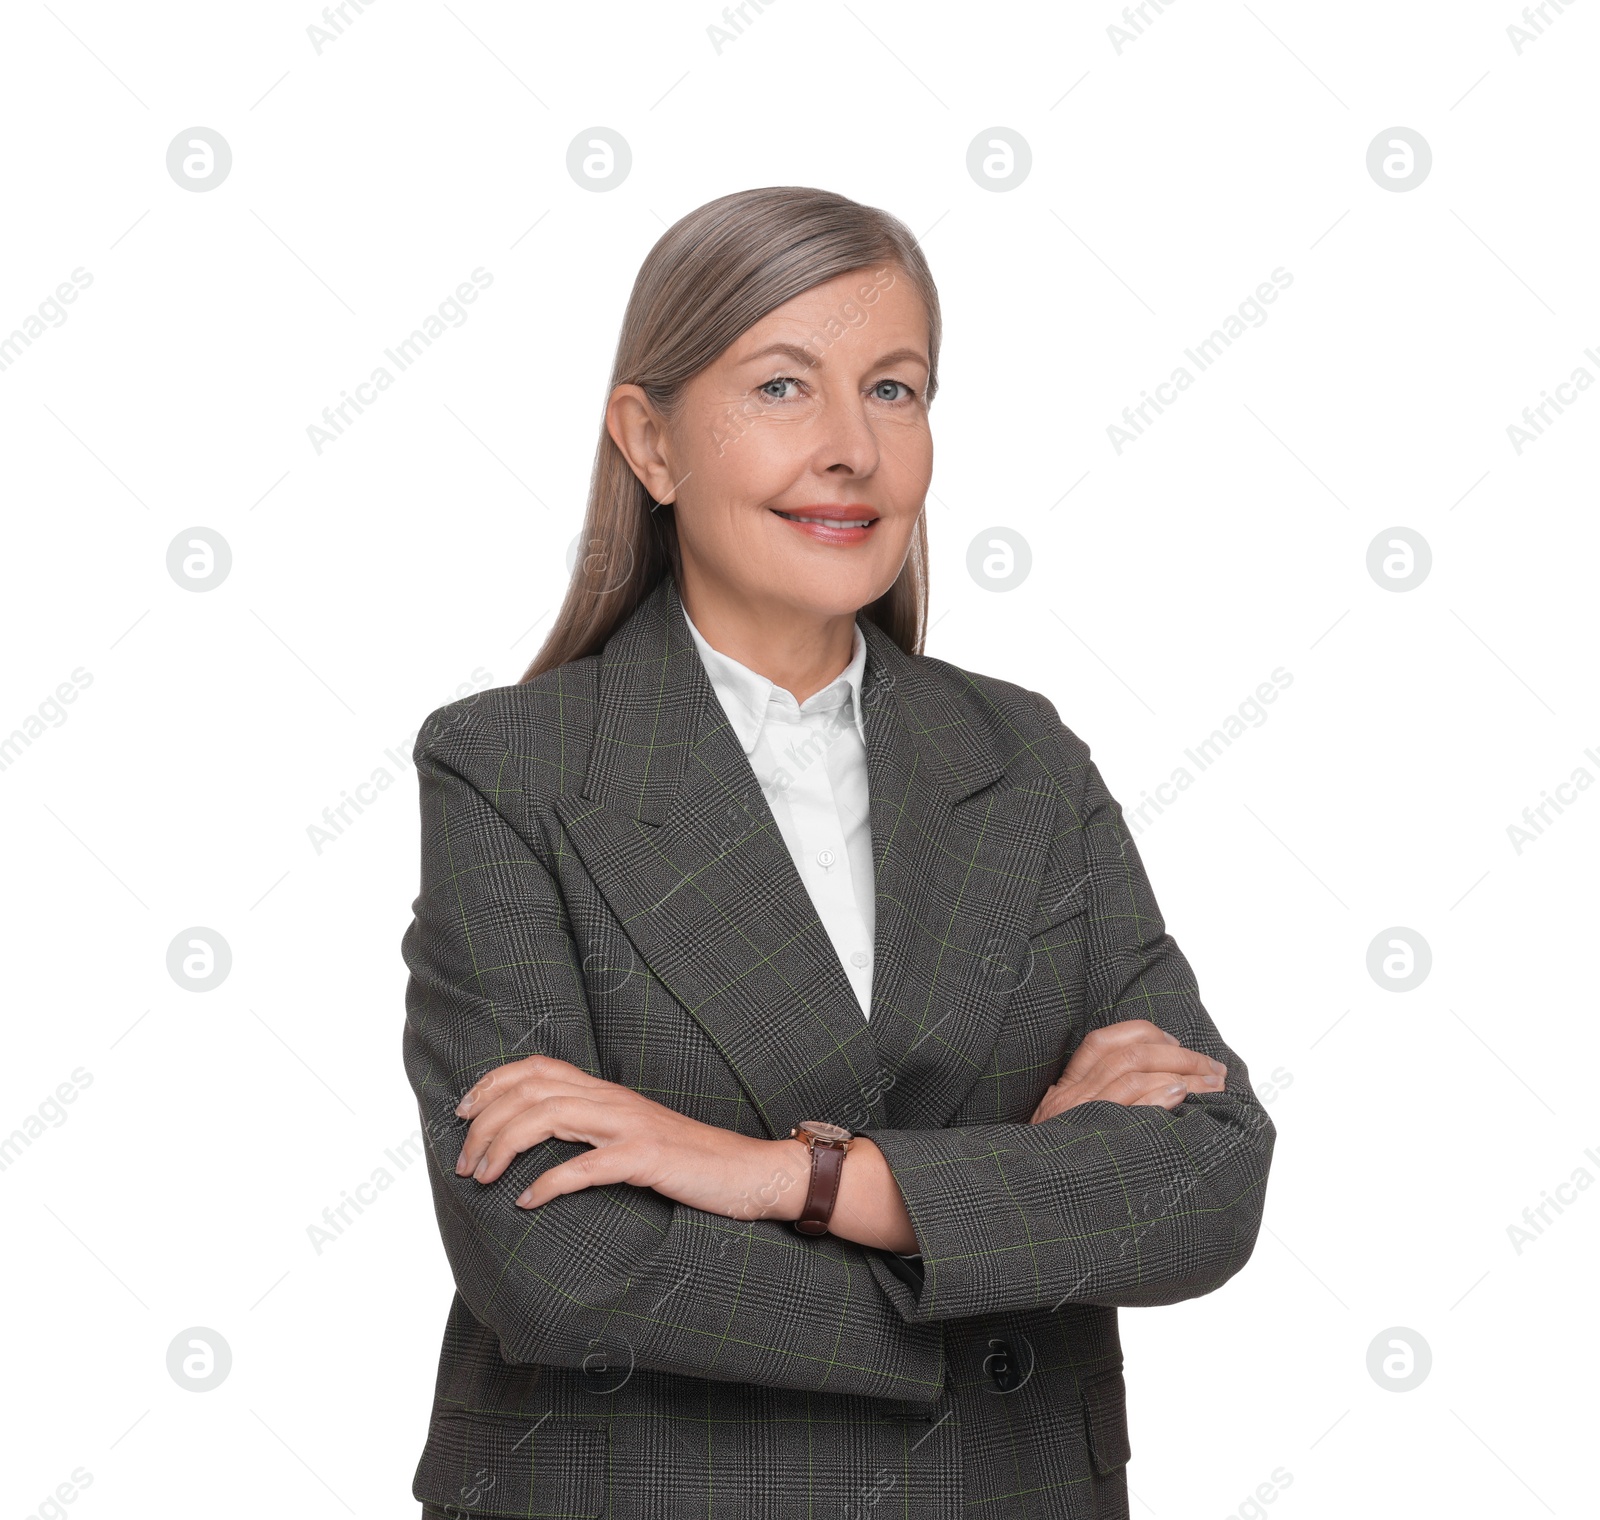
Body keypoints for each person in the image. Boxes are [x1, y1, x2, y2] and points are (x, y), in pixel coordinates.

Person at [401, 185, 1275, 1520]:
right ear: (650, 440)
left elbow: (1207, 1179)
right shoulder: (511, 769)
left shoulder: (1020, 756)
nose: (851, 450)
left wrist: (771, 1174)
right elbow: (564, 1269)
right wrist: (1006, 1227)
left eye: (895, 390)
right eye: (781, 388)